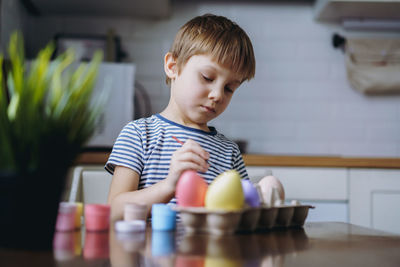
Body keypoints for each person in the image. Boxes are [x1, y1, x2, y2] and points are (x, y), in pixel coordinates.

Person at [105, 13, 256, 221]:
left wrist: (259, 197)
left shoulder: (229, 152)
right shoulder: (139, 135)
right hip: (148, 251)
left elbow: (242, 214)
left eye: (229, 88)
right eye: (207, 77)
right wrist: (169, 185)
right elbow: (115, 210)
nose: (218, 94)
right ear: (172, 67)